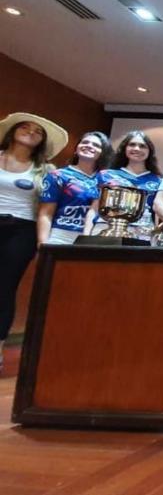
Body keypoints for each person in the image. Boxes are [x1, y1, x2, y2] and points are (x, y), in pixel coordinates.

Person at [0, 112, 67, 372]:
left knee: (4, 288)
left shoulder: (46, 171)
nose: (31, 132)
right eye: (26, 127)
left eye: (37, 131)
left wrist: (44, 242)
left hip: (21, 230)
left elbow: (46, 210)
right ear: (13, 131)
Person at [37, 131, 112, 244]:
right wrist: (42, 243)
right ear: (76, 149)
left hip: (95, 238)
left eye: (96, 145)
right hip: (61, 236)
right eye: (85, 142)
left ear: (103, 153)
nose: (89, 146)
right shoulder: (58, 175)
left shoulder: (108, 180)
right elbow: (45, 214)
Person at [84, 130, 163, 239]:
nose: (136, 149)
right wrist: (86, 236)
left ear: (150, 151)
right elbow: (94, 208)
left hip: (142, 233)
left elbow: (159, 214)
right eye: (132, 145)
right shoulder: (106, 175)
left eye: (142, 146)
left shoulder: (158, 181)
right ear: (124, 148)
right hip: (104, 228)